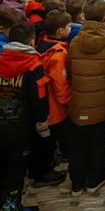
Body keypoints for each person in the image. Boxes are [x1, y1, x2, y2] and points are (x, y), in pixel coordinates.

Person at [0, 21, 49, 211]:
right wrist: (42, 118)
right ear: (32, 41)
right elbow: (39, 95)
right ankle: (12, 208)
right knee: (17, 166)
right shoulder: (33, 64)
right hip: (20, 124)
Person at [66, 0, 105, 194]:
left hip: (78, 99)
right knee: (99, 140)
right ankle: (95, 178)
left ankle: (76, 181)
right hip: (101, 100)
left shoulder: (74, 41)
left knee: (78, 141)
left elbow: (70, 69)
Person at [38, 11, 74, 191]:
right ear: (60, 31)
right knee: (51, 140)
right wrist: (67, 100)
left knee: (47, 138)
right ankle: (46, 170)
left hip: (43, 101)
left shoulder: (42, 43)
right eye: (69, 27)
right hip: (55, 104)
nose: (71, 29)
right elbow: (60, 82)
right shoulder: (58, 54)